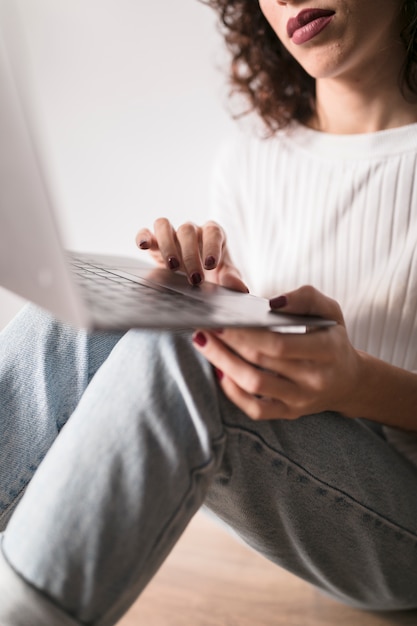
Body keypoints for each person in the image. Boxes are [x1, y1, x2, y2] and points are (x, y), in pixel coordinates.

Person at [1, 0, 417, 623]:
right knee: (92, 311)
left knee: (186, 347)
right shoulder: (252, 159)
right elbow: (241, 333)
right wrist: (207, 290)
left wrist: (356, 381)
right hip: (307, 487)